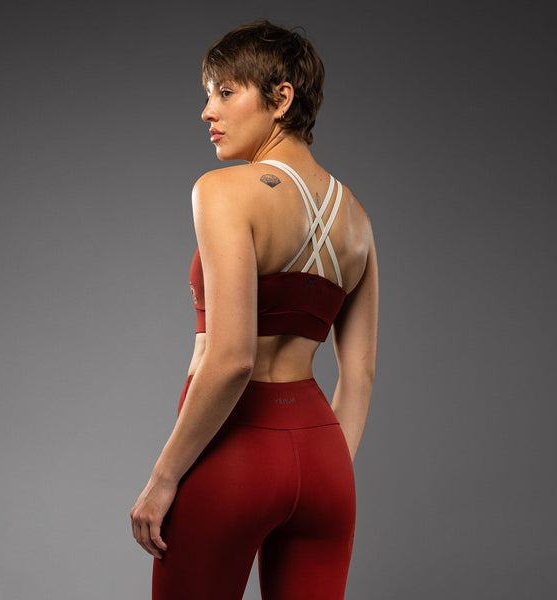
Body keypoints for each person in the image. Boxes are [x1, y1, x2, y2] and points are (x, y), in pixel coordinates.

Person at [130, 21, 379, 600]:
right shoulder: (358, 220)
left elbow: (233, 359)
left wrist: (163, 480)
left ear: (281, 98)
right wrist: (325, 468)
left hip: (234, 452)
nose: (207, 111)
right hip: (325, 463)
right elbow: (361, 374)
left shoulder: (222, 190)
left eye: (224, 91)